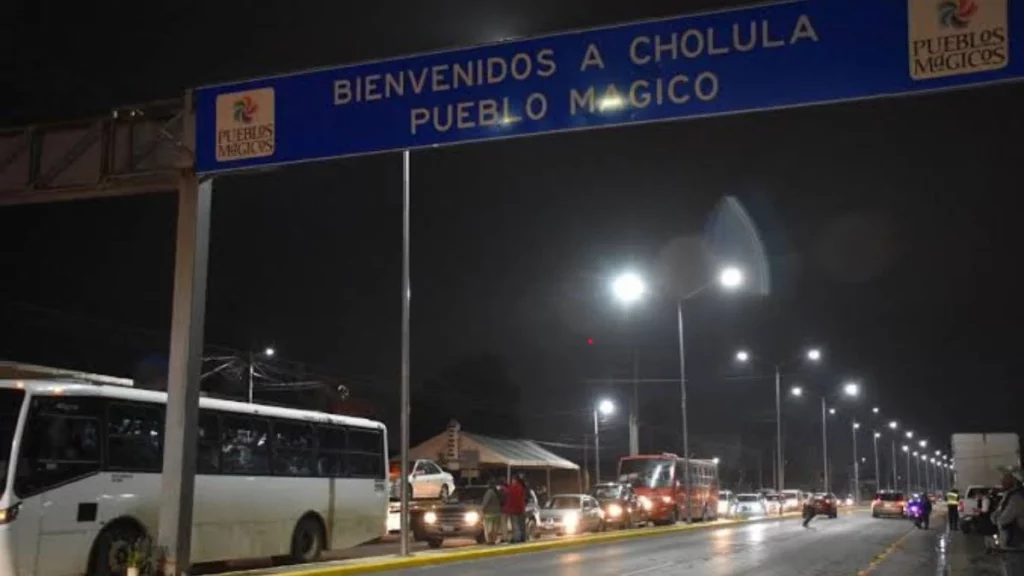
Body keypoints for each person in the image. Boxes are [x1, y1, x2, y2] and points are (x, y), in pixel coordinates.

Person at [995, 467, 1024, 575]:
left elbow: (1003, 519)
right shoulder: (1010, 495)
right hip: (1012, 542)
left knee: (1015, 570)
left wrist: (997, 518)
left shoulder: (1016, 497)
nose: (1001, 481)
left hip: (1015, 543)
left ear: (1013, 480)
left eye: (1005, 479)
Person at [502, 475, 527, 543]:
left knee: (515, 525)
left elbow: (510, 498)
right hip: (521, 508)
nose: (512, 481)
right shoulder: (521, 487)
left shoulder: (513, 488)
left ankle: (517, 538)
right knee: (521, 524)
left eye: (512, 480)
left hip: (514, 509)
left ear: (515, 480)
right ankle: (522, 537)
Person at [480, 480, 503, 544]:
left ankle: (489, 540)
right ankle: (493, 540)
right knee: (494, 529)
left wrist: (482, 511)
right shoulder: (497, 492)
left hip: (489, 514)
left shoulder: (489, 492)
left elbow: (485, 503)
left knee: (488, 528)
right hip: (497, 513)